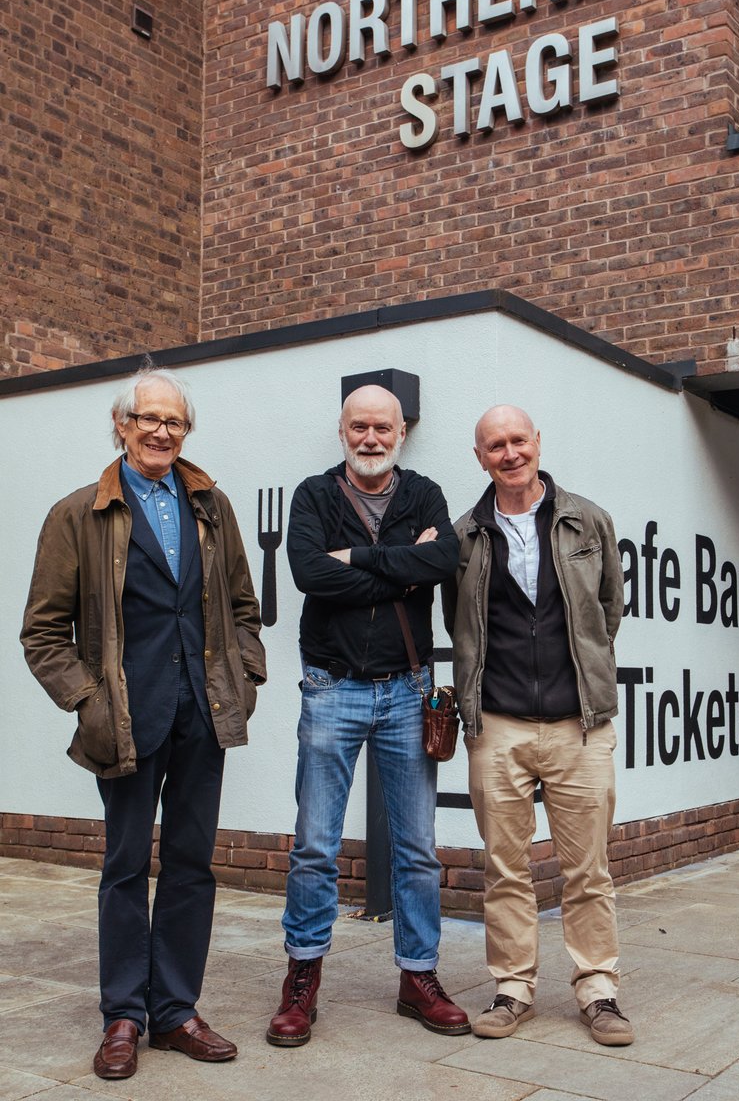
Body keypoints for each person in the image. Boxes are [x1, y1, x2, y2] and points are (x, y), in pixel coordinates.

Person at [21, 364, 266, 1080]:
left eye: (175, 422)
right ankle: (124, 1015)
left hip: (204, 713)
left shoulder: (210, 506)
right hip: (124, 720)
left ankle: (177, 1012)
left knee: (191, 866)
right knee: (126, 867)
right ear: (121, 426)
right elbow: (43, 632)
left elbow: (244, 610)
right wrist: (88, 701)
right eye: (149, 419)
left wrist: (244, 679)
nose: (162, 432)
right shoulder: (79, 514)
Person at [268, 383, 470, 1047]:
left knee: (415, 849)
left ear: (401, 433)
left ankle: (419, 978)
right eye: (360, 427)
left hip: (409, 693)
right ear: (342, 431)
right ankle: (302, 982)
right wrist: (403, 570)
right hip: (333, 688)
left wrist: (355, 557)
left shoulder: (425, 494)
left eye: (383, 427)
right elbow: (307, 574)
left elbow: (444, 560)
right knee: (315, 849)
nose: (371, 438)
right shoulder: (313, 495)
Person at [443, 405, 633, 1047]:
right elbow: (459, 625)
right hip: (497, 727)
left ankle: (598, 991)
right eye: (494, 445)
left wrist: (583, 678)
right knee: (506, 869)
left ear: (537, 443)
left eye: (517, 440)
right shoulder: (465, 534)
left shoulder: (588, 520)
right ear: (481, 458)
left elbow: (609, 610)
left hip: (581, 726)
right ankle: (512, 988)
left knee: (589, 869)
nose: (508, 453)